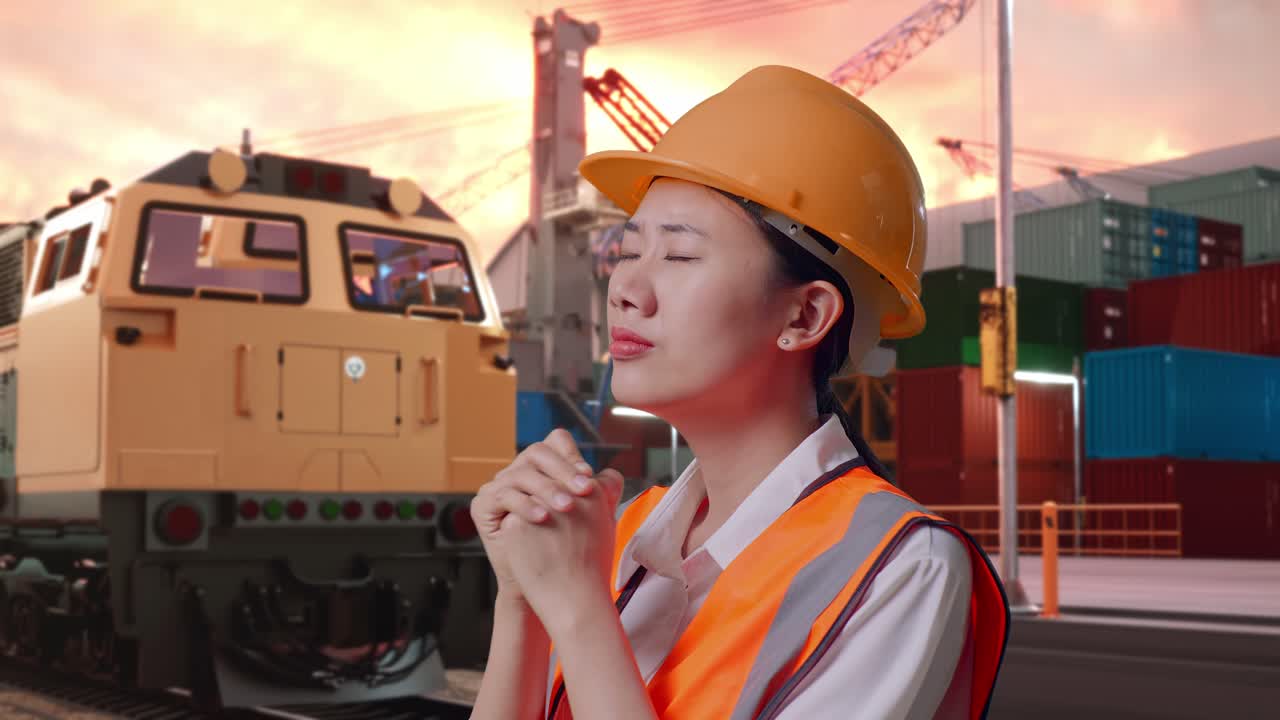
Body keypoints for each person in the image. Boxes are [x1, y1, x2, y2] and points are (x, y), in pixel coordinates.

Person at [469, 65, 1011, 720]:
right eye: (628, 251)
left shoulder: (901, 568)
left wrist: (582, 609)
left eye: (678, 257)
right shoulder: (625, 531)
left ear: (804, 318)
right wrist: (523, 598)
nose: (625, 290)